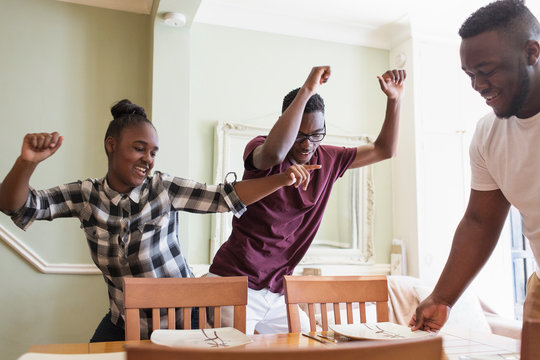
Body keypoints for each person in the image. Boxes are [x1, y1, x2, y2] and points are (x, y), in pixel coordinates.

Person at [0, 99, 320, 341]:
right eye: (139, 149)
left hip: (184, 322)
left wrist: (281, 180)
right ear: (111, 146)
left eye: (153, 152)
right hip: (125, 323)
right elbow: (19, 205)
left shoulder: (163, 189)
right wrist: (26, 162)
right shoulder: (87, 197)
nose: (148, 160)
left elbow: (226, 196)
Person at [209, 65, 407, 334]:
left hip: (277, 292)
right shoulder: (261, 150)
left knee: (309, 346)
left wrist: (394, 100)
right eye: (300, 135)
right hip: (234, 283)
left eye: (316, 135)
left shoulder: (329, 159)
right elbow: (276, 153)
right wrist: (308, 89)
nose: (307, 144)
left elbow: (385, 149)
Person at [410, 0, 540, 332]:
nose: (478, 85)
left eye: (487, 70)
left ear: (531, 53)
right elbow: (479, 221)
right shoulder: (487, 133)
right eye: (470, 74)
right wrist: (442, 297)